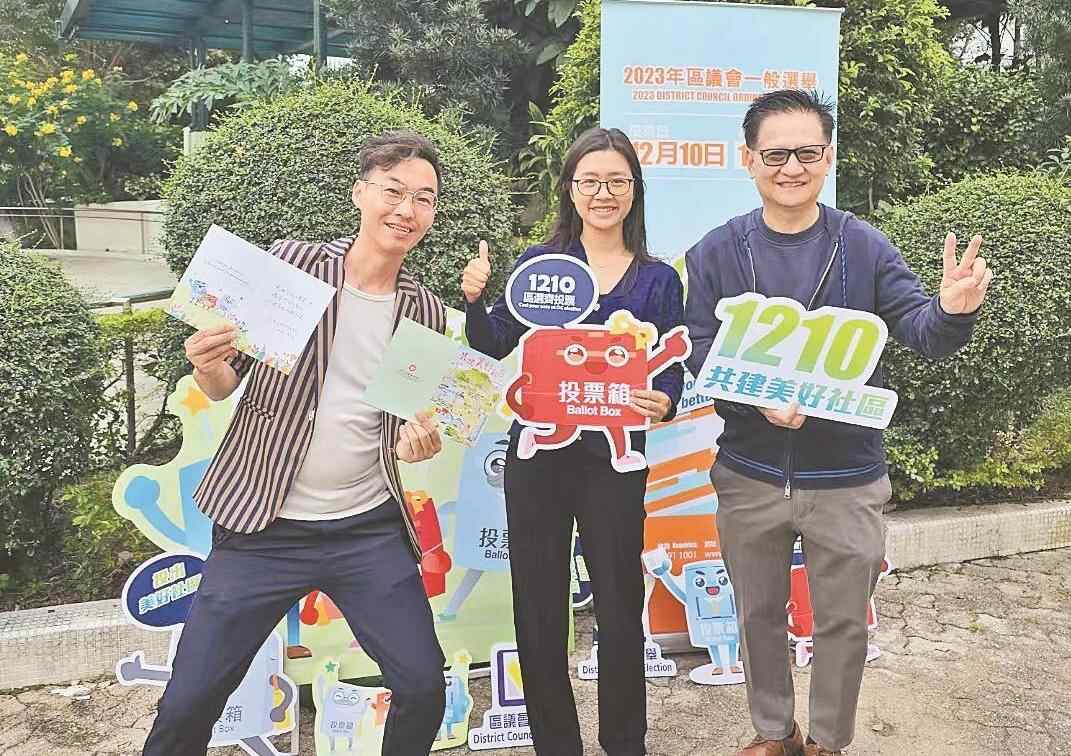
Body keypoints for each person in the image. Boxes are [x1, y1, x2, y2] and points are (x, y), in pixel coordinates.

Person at [684, 90, 992, 756]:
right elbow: (700, 349)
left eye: (807, 152)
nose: (791, 167)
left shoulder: (863, 246)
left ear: (827, 158)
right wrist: (757, 399)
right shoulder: (716, 251)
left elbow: (920, 330)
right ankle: (774, 732)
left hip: (847, 476)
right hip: (749, 472)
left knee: (844, 622)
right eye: (775, 154)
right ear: (748, 159)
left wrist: (952, 310)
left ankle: (826, 740)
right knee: (756, 614)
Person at [142, 131, 451, 756]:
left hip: (366, 529)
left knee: (423, 686)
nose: (407, 210)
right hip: (263, 526)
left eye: (424, 198)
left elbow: (408, 425)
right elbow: (227, 381)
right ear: (360, 193)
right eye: (393, 191)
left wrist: (420, 444)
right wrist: (207, 365)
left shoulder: (426, 311)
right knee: (190, 699)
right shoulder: (294, 266)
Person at [461, 127, 686, 756]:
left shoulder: (657, 278)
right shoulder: (541, 265)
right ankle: (556, 745)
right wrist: (475, 301)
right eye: (590, 181)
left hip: (615, 461)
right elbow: (493, 342)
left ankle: (624, 743)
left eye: (617, 181)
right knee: (537, 606)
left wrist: (664, 398)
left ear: (635, 190)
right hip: (538, 458)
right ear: (569, 188)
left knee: (619, 603)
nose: (603, 193)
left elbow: (672, 359)